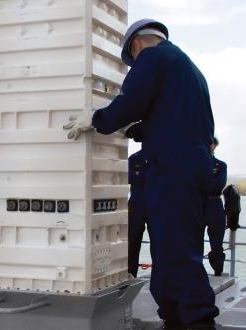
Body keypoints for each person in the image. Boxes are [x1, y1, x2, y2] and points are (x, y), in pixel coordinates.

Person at [63, 19, 219, 329]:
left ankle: (199, 320)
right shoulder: (190, 69)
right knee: (169, 248)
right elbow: (176, 116)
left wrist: (97, 119)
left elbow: (132, 101)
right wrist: (141, 129)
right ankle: (174, 317)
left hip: (173, 169)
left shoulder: (153, 57)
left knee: (177, 252)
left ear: (136, 45)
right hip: (193, 166)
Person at [205, 137, 227, 276]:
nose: (210, 146)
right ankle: (195, 271)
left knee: (217, 242)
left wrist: (204, 185)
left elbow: (219, 185)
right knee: (193, 240)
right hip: (198, 204)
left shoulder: (221, 165)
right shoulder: (195, 163)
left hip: (215, 205)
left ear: (215, 146)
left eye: (212, 144)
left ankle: (218, 270)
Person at [127, 149, 148, 278]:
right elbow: (129, 177)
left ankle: (160, 275)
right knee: (132, 240)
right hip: (136, 203)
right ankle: (130, 273)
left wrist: (139, 174)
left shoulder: (161, 156)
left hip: (155, 203)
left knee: (158, 242)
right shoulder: (134, 158)